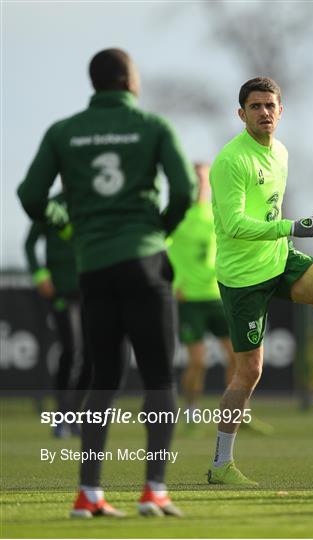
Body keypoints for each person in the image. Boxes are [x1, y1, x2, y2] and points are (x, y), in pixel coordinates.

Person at [18, 48, 196, 517]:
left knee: (103, 379)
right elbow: (184, 191)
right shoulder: (154, 127)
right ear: (131, 81)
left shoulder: (63, 131)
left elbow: (30, 195)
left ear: (94, 83)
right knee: (158, 379)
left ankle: (89, 493)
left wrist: (67, 223)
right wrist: (161, 228)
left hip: (93, 267)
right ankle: (154, 489)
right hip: (144, 262)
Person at [207, 77, 313, 486]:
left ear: (281, 111)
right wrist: (292, 226)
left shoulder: (280, 152)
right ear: (241, 114)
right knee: (248, 375)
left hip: (277, 259)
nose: (263, 112)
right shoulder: (231, 160)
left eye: (269, 105)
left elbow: (267, 214)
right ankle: (221, 464)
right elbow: (234, 225)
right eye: (255, 106)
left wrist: (287, 232)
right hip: (243, 277)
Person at [168, 163, 273, 436]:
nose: (201, 184)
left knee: (238, 359)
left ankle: (236, 413)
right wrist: (174, 282)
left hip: (218, 295)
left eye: (204, 179)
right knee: (198, 361)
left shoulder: (219, 211)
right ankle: (190, 412)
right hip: (190, 298)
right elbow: (160, 253)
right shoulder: (176, 216)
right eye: (196, 179)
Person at [24, 191, 92, 437]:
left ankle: (74, 414)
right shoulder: (51, 205)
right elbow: (30, 243)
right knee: (71, 349)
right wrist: (39, 274)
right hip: (62, 291)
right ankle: (62, 416)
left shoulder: (92, 201)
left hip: (92, 289)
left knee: (92, 356)